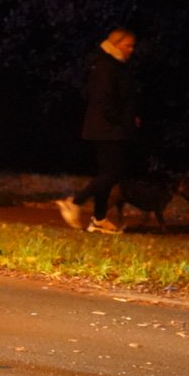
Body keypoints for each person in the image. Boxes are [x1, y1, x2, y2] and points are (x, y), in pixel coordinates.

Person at [57, 27, 139, 235]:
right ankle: (75, 202)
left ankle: (99, 219)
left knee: (107, 174)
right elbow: (104, 100)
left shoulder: (113, 64)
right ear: (116, 44)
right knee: (113, 172)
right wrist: (123, 120)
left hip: (108, 126)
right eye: (128, 45)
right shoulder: (106, 66)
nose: (131, 49)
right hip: (108, 128)